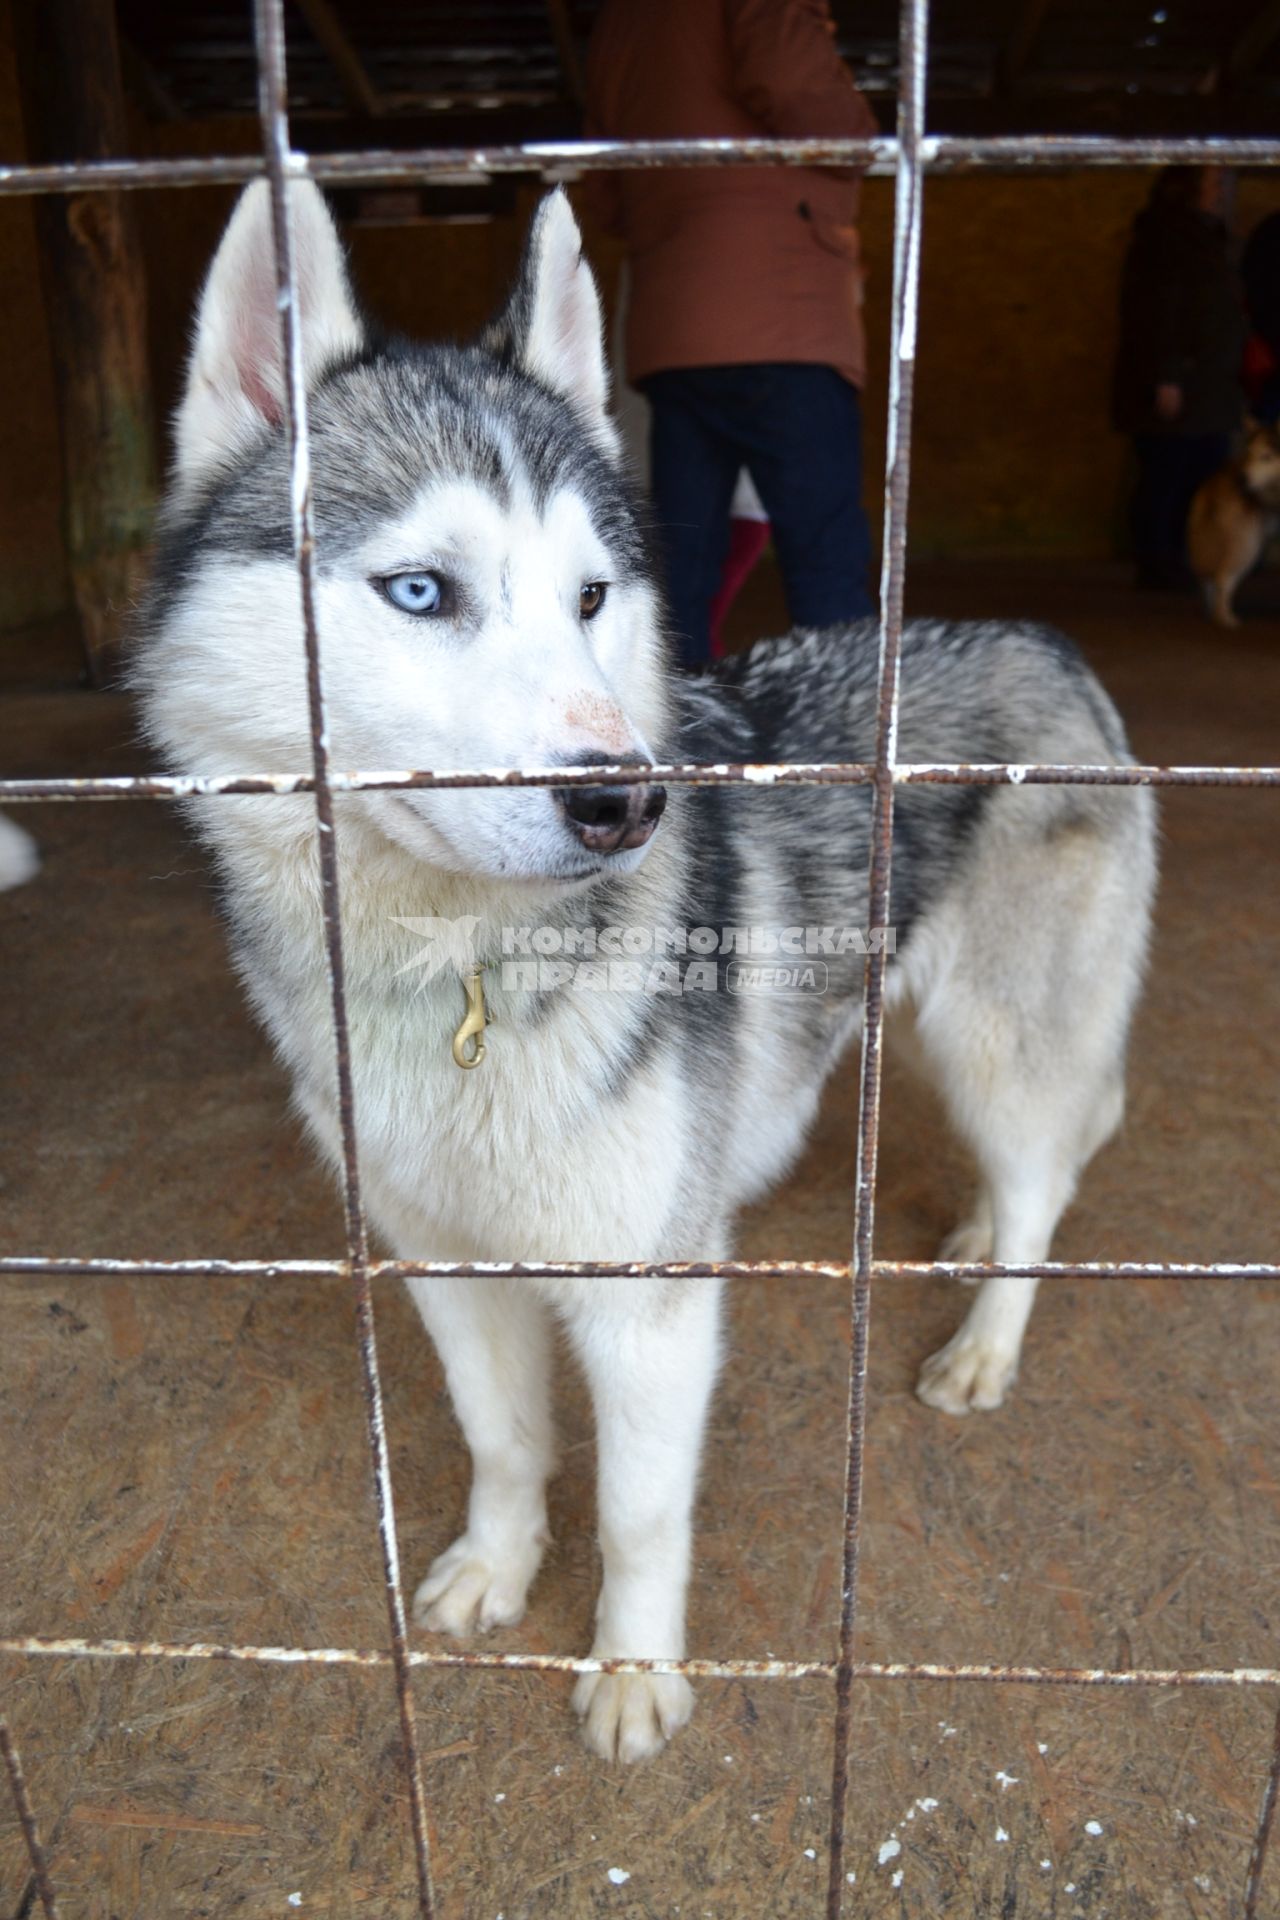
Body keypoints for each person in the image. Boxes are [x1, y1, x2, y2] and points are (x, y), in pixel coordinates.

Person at [584, 0, 879, 668]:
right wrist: (863, 135)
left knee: (682, 565)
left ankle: (680, 744)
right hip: (784, 312)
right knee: (825, 557)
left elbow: (602, 191)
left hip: (673, 324)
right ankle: (852, 751)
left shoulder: (621, 22)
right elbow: (802, 96)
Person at [1111, 166, 1248, 589]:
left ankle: (1184, 559)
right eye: (1214, 184)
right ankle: (1159, 561)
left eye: (1226, 183)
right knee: (1168, 472)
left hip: (1205, 383)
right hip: (1181, 383)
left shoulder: (1207, 237)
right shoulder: (1169, 240)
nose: (1223, 192)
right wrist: (1168, 376)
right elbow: (1160, 313)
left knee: (1197, 472)